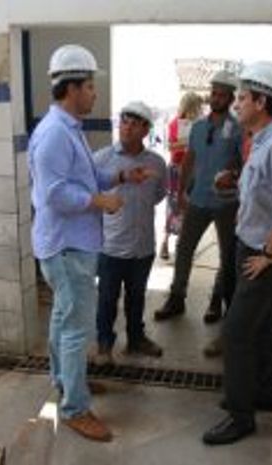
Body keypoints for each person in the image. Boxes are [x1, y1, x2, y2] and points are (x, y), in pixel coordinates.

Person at [28, 44, 149, 443]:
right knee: (76, 329)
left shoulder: (69, 129)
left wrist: (121, 179)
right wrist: (99, 201)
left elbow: (86, 178)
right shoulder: (54, 134)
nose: (95, 93)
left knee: (63, 320)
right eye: (91, 86)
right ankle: (75, 408)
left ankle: (67, 382)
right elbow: (54, 194)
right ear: (72, 88)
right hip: (67, 248)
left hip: (72, 245)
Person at [202, 61, 272, 446]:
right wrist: (233, 186)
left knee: (235, 332)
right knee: (259, 327)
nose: (237, 103)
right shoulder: (260, 141)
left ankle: (240, 415)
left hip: (266, 255)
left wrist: (267, 253)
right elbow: (264, 196)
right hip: (250, 245)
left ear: (262, 101)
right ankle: (262, 392)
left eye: (243, 97)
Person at [154, 70, 242, 325]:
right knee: (184, 248)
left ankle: (217, 301)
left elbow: (243, 163)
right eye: (213, 93)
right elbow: (189, 160)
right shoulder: (199, 127)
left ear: (231, 98)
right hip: (198, 199)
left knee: (226, 255)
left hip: (227, 202)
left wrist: (234, 176)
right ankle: (176, 298)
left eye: (222, 95)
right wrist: (182, 191)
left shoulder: (238, 129)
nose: (216, 98)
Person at [93, 101, 167, 364]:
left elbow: (158, 195)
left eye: (135, 124)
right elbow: (91, 197)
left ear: (146, 130)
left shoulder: (157, 163)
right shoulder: (101, 159)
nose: (127, 128)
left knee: (137, 298)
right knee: (107, 299)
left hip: (143, 246)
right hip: (110, 246)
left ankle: (136, 339)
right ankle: (104, 345)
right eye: (124, 121)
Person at [159, 92, 203, 260]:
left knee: (190, 207)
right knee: (174, 204)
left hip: (194, 169)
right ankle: (165, 242)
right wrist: (189, 141)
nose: (200, 109)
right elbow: (171, 146)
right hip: (177, 169)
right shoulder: (175, 123)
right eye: (197, 106)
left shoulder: (200, 125)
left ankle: (181, 244)